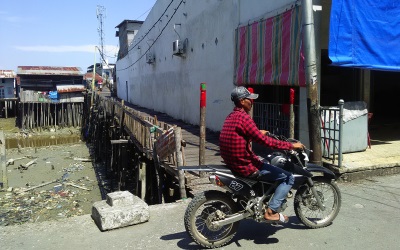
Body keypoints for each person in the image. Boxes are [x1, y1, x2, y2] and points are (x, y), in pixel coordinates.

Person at [219, 86, 304, 223]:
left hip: (233, 162)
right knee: (288, 177)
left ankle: (261, 197)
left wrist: (258, 132)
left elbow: (240, 136)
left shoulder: (232, 116)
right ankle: (271, 211)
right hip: (246, 165)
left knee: (265, 161)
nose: (252, 102)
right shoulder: (244, 118)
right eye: (249, 99)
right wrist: (290, 145)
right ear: (241, 101)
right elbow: (266, 142)